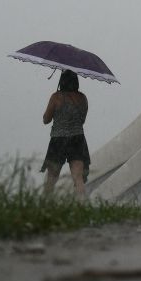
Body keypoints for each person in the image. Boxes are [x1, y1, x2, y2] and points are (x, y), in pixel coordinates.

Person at [41, 70, 89, 199]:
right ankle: (82, 205)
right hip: (77, 139)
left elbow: (46, 119)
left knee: (51, 177)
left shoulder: (56, 97)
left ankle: (45, 206)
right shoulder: (83, 98)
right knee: (78, 177)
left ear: (62, 81)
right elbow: (82, 120)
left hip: (58, 140)